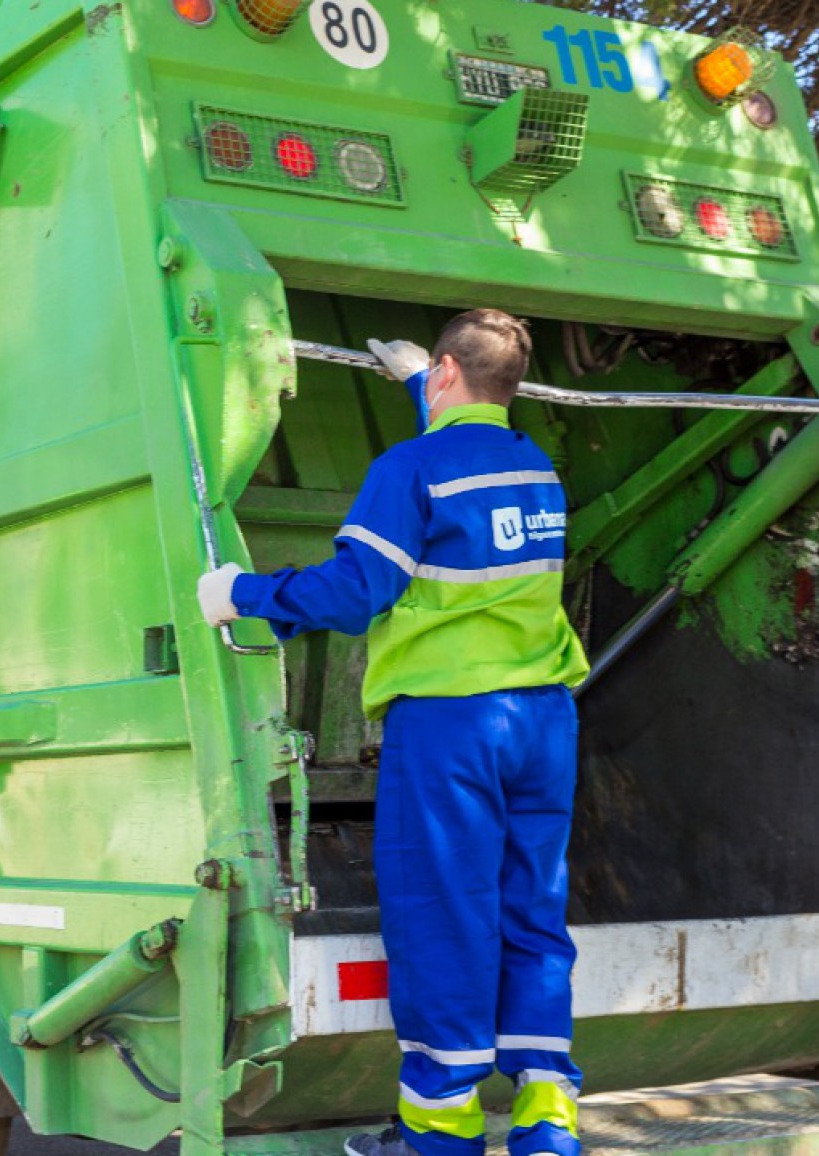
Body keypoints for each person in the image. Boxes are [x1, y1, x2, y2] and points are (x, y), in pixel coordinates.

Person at [197, 309, 589, 1156]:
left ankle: (441, 1133)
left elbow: (354, 591)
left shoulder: (409, 469)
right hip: (546, 722)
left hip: (453, 725)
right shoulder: (535, 467)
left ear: (448, 370)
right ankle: (546, 1118)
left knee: (445, 912)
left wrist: (243, 595)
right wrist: (422, 383)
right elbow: (462, 453)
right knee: (533, 907)